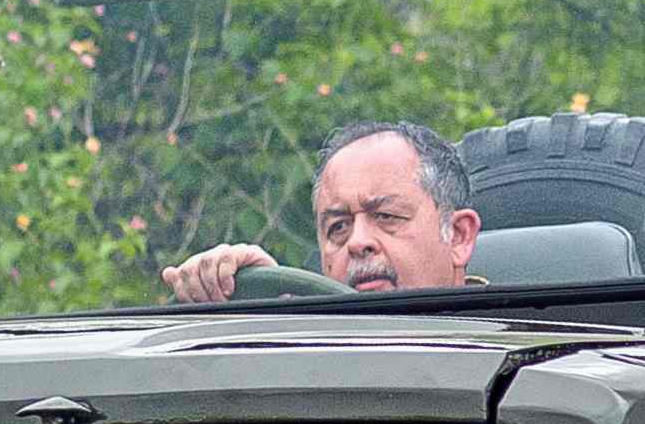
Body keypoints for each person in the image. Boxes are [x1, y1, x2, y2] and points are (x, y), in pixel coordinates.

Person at [163, 120, 480, 301]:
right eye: (338, 227)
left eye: (386, 217)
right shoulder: (307, 347)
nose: (357, 242)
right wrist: (255, 303)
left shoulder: (513, 343)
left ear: (458, 236)